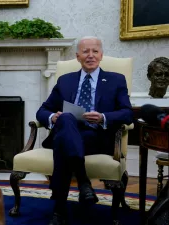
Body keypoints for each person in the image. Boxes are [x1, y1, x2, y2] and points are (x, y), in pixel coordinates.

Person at [36, 36, 133, 225]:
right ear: (78, 56)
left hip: (96, 137)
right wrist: (52, 117)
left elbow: (127, 113)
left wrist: (103, 117)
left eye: (95, 51)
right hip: (68, 131)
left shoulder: (116, 80)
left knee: (63, 144)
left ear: (101, 55)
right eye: (86, 52)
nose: (90, 56)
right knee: (65, 119)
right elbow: (42, 111)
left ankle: (59, 211)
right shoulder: (65, 80)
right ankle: (83, 182)